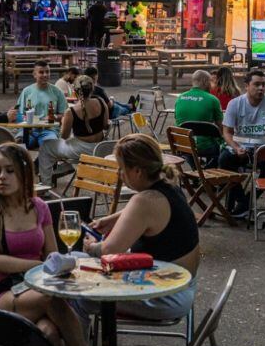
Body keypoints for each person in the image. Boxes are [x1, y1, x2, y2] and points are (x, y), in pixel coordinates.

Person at [0, 144, 95, 346]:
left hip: (38, 286)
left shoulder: (39, 207)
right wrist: (36, 266)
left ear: (23, 173)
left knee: (48, 332)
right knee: (51, 299)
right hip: (3, 291)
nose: (2, 177)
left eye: (9, 171)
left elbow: (52, 254)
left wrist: (58, 266)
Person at [82, 134, 200, 321]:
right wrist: (113, 219)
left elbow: (107, 251)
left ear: (137, 171)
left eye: (122, 168)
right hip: (180, 287)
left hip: (163, 297)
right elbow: (145, 212)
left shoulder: (143, 202)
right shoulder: (169, 186)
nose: (119, 174)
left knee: (77, 293)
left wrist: (90, 245)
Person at [218, 70, 265, 214]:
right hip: (241, 148)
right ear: (247, 86)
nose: (261, 88)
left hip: (264, 149)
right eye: (257, 84)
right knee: (224, 159)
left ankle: (246, 202)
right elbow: (226, 132)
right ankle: (242, 200)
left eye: (263, 85)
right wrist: (235, 148)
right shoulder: (235, 103)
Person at [37, 75, 109, 182]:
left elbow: (64, 137)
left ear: (74, 92)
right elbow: (105, 125)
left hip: (81, 149)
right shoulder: (101, 102)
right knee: (67, 144)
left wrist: (62, 121)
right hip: (102, 147)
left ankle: (45, 184)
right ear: (92, 89)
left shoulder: (71, 112)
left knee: (46, 146)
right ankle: (67, 166)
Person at [173, 69, 224, 164]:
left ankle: (196, 171)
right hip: (207, 147)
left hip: (184, 145)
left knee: (190, 149)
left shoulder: (180, 98)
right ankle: (208, 172)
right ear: (205, 82)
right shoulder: (212, 99)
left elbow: (177, 121)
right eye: (210, 82)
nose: (212, 85)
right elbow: (221, 127)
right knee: (225, 149)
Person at [15, 60, 67, 150]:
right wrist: (26, 121)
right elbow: (19, 113)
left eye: (47, 72)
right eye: (41, 72)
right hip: (29, 130)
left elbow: (65, 114)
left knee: (50, 147)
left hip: (49, 130)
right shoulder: (27, 91)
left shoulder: (57, 92)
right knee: (18, 145)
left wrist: (54, 117)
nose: (45, 75)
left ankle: (39, 162)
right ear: (34, 74)